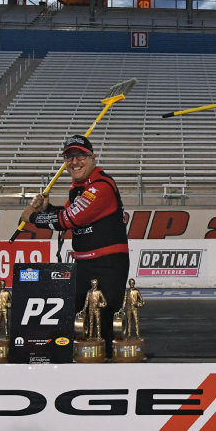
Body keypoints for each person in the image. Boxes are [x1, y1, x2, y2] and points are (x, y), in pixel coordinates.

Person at [21, 134, 130, 352]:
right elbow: (67, 214)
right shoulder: (80, 188)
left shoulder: (101, 186)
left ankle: (109, 376)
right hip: (83, 266)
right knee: (77, 328)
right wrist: (46, 209)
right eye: (69, 157)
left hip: (106, 267)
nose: (74, 162)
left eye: (80, 156)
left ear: (93, 158)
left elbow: (70, 220)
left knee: (102, 327)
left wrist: (32, 217)